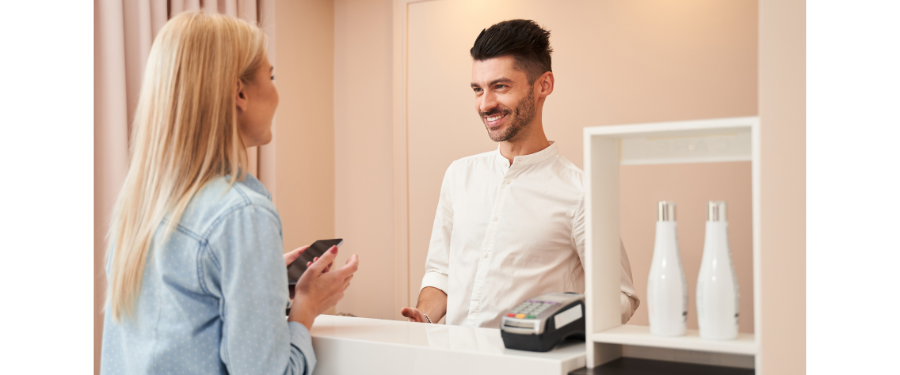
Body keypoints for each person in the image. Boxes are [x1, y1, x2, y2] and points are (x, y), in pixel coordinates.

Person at [100, 12, 358, 375]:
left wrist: (259, 278)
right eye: (270, 77)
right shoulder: (242, 215)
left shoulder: (139, 207)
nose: (276, 91)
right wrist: (305, 307)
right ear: (240, 92)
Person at [401, 19, 639, 328]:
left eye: (500, 86)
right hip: (454, 361)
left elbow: (621, 296)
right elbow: (441, 272)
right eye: (478, 89)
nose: (485, 104)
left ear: (544, 85)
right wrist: (427, 317)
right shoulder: (459, 176)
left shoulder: (581, 192)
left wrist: (554, 324)